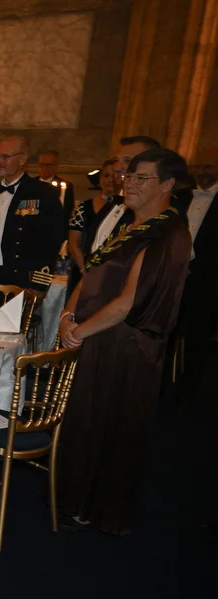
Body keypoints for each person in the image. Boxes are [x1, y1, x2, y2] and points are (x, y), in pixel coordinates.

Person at [57, 149, 192, 535]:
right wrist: (68, 315)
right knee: (86, 419)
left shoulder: (169, 234)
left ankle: (97, 506)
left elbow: (129, 302)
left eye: (140, 178)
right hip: (96, 339)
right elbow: (92, 270)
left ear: (167, 185)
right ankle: (75, 498)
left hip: (126, 349)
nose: (128, 183)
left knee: (110, 426)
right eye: (128, 177)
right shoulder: (127, 225)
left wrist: (78, 331)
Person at [0, 136, 66, 291]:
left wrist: (39, 283)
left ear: (22, 159)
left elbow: (52, 240)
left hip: (21, 279)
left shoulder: (42, 193)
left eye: (5, 157)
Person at [176, 146, 218, 412]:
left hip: (206, 282)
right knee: (163, 332)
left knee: (197, 338)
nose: (201, 172)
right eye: (198, 166)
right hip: (172, 278)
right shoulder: (180, 197)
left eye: (208, 167)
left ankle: (188, 394)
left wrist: (197, 268)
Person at [85, 136, 162, 257]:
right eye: (116, 160)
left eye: (127, 160)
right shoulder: (114, 201)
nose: (116, 167)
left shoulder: (152, 208)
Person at [67, 158, 117, 291]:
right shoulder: (83, 207)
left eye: (115, 175)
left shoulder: (125, 208)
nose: (110, 179)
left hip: (112, 272)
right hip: (83, 269)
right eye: (106, 175)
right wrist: (85, 269)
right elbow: (73, 243)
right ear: (100, 179)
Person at [36, 149, 76, 216]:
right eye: (42, 164)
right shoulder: (29, 183)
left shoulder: (66, 186)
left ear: (56, 166)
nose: (45, 168)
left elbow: (68, 211)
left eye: (49, 165)